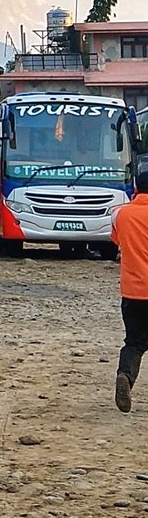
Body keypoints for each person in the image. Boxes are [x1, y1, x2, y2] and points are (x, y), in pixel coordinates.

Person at [111, 169, 148, 412]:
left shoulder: (120, 214)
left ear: (135, 188)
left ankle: (126, 375)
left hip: (133, 291)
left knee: (134, 342)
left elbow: (117, 241)